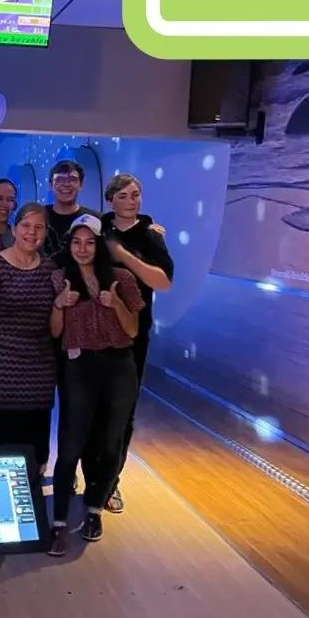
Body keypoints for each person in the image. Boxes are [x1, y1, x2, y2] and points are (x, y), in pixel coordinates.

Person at [47, 215, 145, 555]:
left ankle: (93, 509)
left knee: (109, 442)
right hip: (79, 366)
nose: (83, 249)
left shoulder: (122, 278)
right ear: (69, 245)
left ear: (99, 244)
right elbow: (56, 331)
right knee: (71, 443)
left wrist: (114, 302)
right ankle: (58, 522)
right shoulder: (60, 280)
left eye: (90, 242)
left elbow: (132, 330)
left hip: (118, 367)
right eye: (76, 242)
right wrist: (60, 305)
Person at [84, 173, 175, 514]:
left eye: (136, 194)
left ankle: (111, 484)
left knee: (122, 415)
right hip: (94, 332)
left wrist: (125, 256)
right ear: (111, 200)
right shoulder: (98, 227)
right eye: (124, 195)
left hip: (133, 335)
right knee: (90, 411)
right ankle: (91, 478)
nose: (132, 200)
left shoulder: (151, 235)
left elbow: (163, 282)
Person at [0, 203, 58, 480]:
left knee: (34, 453)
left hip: (40, 372)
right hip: (1, 370)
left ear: (45, 233)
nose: (31, 233)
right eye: (26, 226)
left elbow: (55, 327)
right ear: (13, 228)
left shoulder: (50, 269)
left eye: (38, 227)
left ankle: (32, 503)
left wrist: (62, 304)